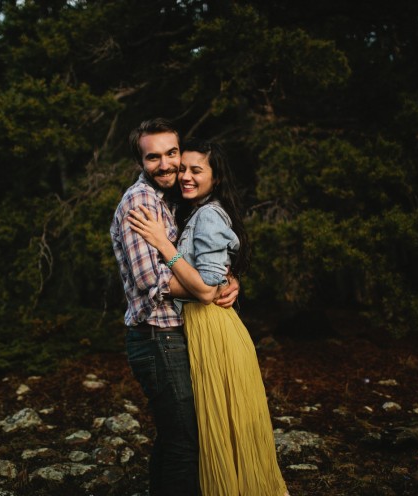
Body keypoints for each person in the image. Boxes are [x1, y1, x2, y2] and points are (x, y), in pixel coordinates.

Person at [128, 138, 289, 495]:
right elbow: (214, 278)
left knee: (218, 425)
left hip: (214, 332)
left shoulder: (210, 214)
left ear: (215, 179)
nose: (185, 176)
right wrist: (229, 280)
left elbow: (207, 285)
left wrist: (164, 245)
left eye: (195, 170)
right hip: (202, 329)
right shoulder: (190, 210)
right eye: (182, 168)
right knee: (205, 427)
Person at [110, 119, 239, 496]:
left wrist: (227, 281)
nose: (166, 164)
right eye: (154, 157)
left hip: (173, 336)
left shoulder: (171, 200)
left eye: (172, 153)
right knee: (184, 440)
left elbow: (206, 259)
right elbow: (156, 280)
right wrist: (209, 290)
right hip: (157, 337)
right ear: (140, 161)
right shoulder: (140, 202)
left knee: (175, 437)